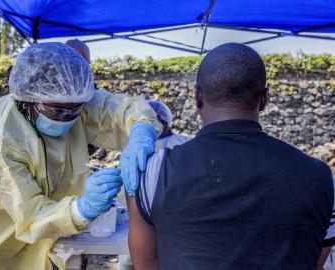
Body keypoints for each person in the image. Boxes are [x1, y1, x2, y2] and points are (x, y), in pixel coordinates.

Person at [0, 42, 161, 270]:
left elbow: (118, 110)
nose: (68, 118)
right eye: (57, 111)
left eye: (75, 109)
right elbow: (30, 214)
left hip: (24, 208)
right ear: (27, 100)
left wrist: (142, 130)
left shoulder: (71, 101)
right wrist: (82, 208)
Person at [126, 43, 335, 270]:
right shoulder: (321, 178)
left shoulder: (152, 174)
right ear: (265, 98)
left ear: (197, 97)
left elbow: (146, 266)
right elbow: (315, 261)